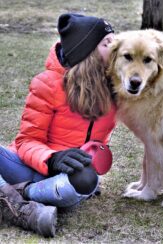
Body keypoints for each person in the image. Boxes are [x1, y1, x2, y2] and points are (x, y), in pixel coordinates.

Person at [0, 13, 116, 237]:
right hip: (31, 167)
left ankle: (16, 196)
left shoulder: (119, 86)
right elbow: (26, 141)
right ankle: (20, 209)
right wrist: (53, 159)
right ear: (88, 52)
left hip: (70, 178)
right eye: (106, 42)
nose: (116, 45)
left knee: (86, 181)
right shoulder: (47, 84)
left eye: (115, 39)